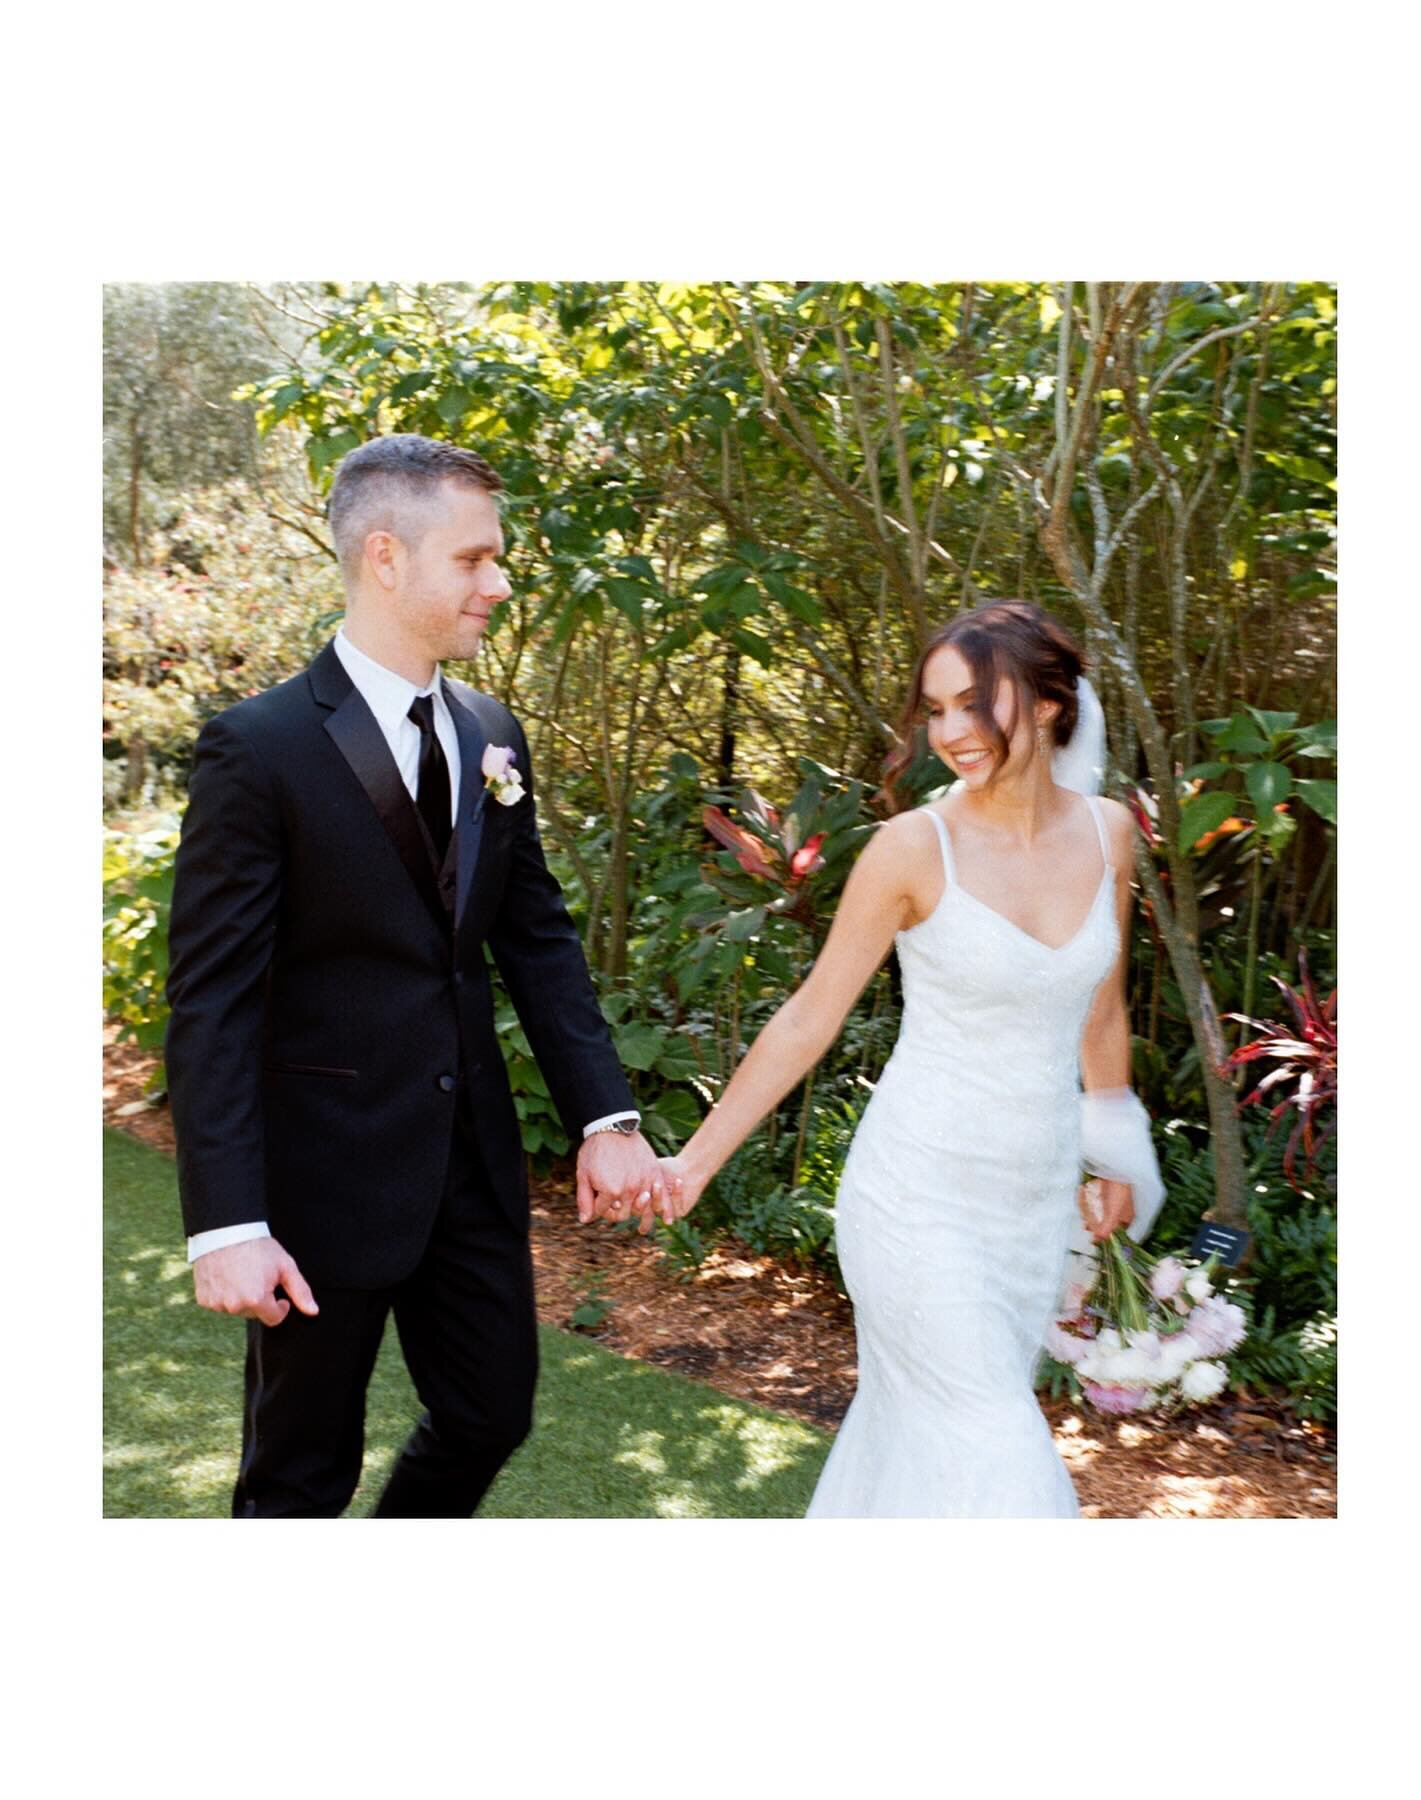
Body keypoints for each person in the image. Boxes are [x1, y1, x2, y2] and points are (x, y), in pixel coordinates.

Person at [165, 433, 672, 1518]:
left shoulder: (495, 733)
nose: (499, 583)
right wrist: (227, 1224)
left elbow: (534, 938)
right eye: (476, 560)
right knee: (300, 1474)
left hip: (471, 1170)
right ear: (386, 558)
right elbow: (210, 1002)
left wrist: (606, 1115)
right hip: (318, 1183)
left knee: (492, 1414)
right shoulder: (256, 749)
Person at [659, 600, 1163, 1517]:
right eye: (935, 711)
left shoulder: (1109, 833)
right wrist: (695, 1163)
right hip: (916, 1197)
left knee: (924, 1450)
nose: (951, 733)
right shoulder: (910, 848)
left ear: (1050, 703)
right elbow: (810, 1017)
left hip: (1031, 1207)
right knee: (999, 1456)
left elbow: (1102, 1008)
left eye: (975, 703)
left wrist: (1115, 1154)